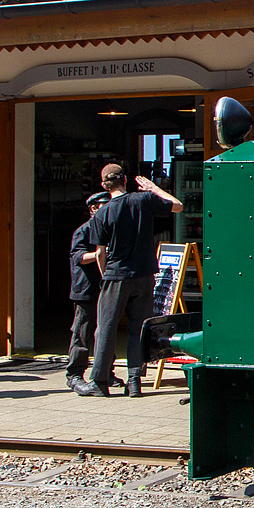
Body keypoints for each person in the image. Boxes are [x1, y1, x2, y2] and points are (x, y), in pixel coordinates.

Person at [74, 164, 182, 398]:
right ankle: (135, 382)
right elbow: (178, 206)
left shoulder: (101, 213)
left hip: (116, 275)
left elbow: (101, 252)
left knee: (106, 329)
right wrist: (154, 188)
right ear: (125, 179)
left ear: (104, 185)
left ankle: (100, 381)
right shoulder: (143, 200)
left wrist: (105, 276)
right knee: (138, 330)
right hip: (144, 275)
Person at [66, 190, 111, 392]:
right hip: (85, 288)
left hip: (106, 287)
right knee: (82, 331)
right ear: (93, 208)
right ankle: (74, 374)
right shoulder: (83, 231)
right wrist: (99, 254)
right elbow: (78, 257)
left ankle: (106, 372)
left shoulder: (110, 228)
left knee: (105, 330)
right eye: (104, 205)